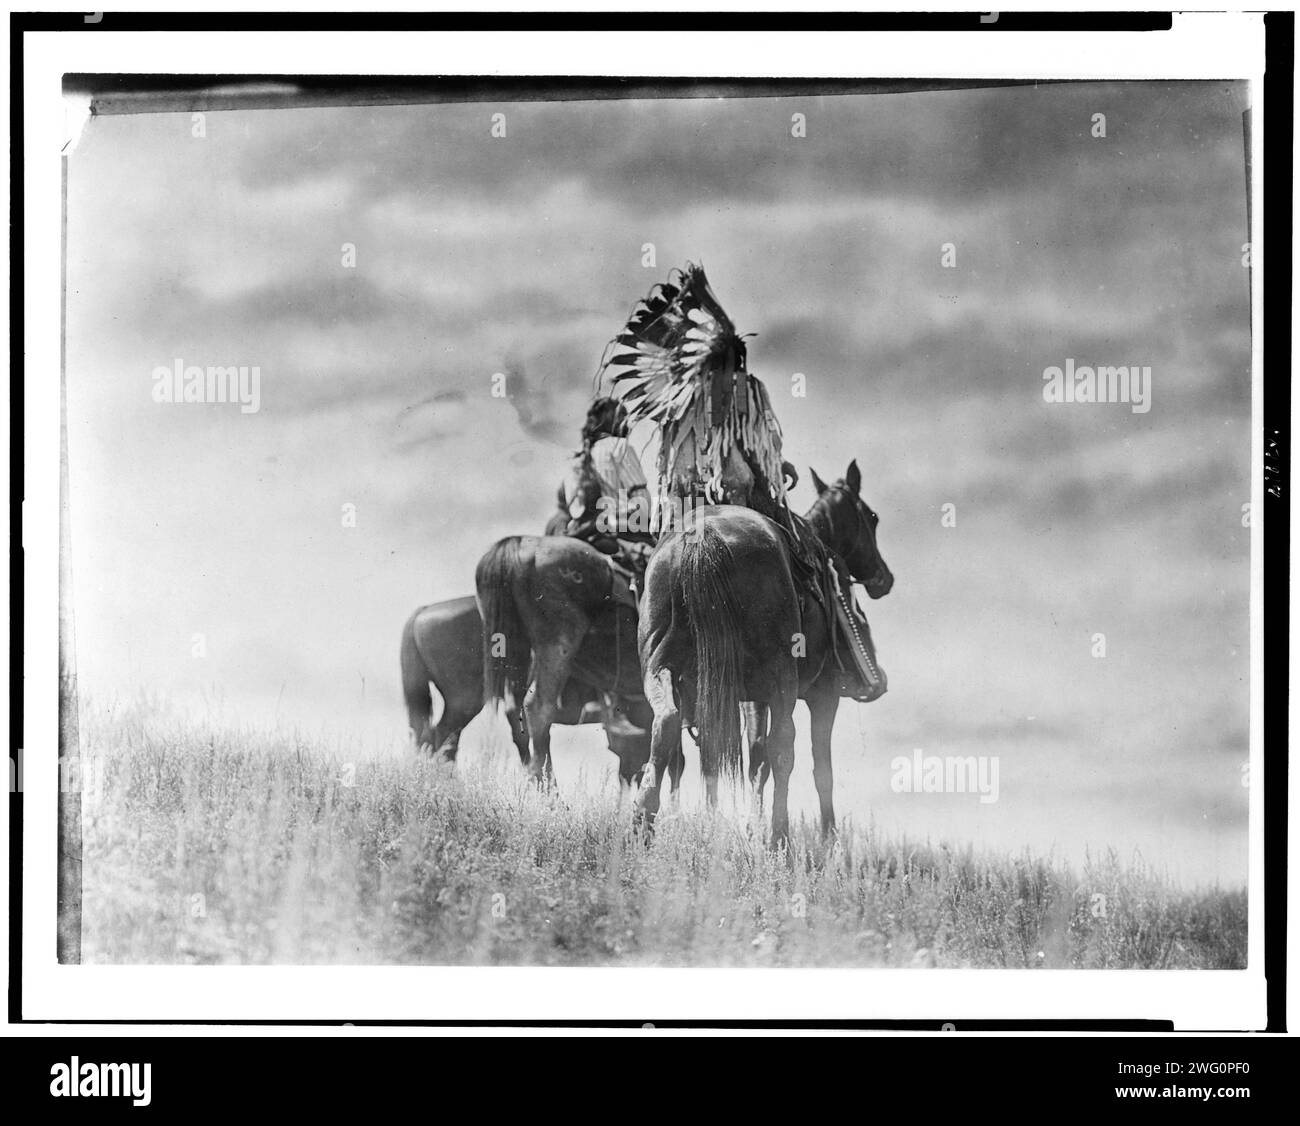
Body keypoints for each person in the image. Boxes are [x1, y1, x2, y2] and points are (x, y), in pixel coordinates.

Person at [562, 396, 654, 737]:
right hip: (619, 535)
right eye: (624, 417)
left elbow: (573, 511)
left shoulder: (576, 461)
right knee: (657, 597)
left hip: (581, 539)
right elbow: (642, 501)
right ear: (616, 423)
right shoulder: (620, 448)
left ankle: (589, 696)